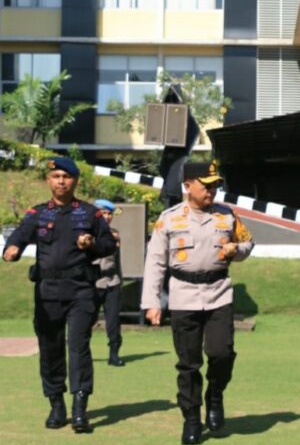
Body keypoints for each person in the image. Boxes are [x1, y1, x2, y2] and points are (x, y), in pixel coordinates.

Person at [141, 161, 255, 444]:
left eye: (215, 185)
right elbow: (155, 262)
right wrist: (152, 302)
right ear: (188, 185)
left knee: (222, 354)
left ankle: (215, 395)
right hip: (183, 295)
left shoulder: (227, 216)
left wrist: (236, 250)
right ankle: (191, 417)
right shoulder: (168, 219)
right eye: (206, 185)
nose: (212, 190)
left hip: (219, 293)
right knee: (188, 364)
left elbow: (248, 243)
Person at [2, 156, 116, 433]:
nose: (61, 181)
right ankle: (56, 404)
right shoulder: (38, 213)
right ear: (48, 181)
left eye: (66, 177)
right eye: (56, 177)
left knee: (78, 348)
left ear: (75, 180)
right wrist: (12, 250)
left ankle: (79, 409)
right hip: (47, 293)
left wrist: (90, 244)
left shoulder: (89, 213)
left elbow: (108, 244)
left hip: (80, 291)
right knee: (50, 349)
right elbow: (18, 236)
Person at [93, 199, 125, 367]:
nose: (107, 217)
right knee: (87, 319)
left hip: (112, 281)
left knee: (113, 321)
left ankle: (114, 354)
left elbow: (117, 261)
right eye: (103, 213)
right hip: (93, 282)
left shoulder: (115, 234)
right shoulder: (86, 233)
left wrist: (120, 280)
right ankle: (78, 349)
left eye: (109, 214)